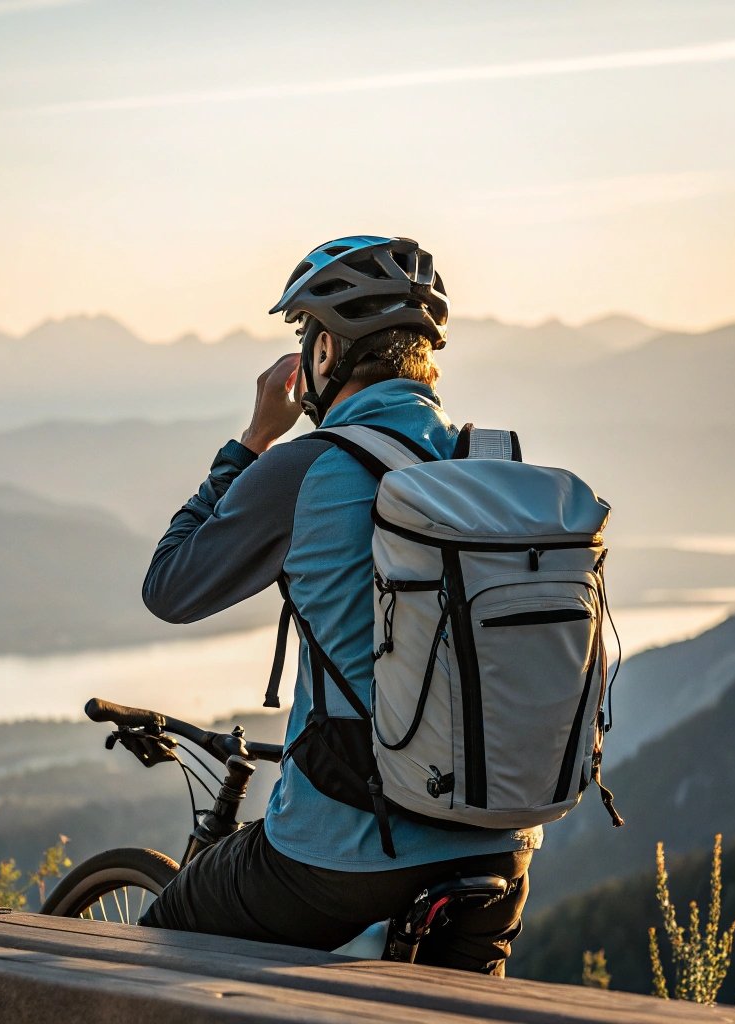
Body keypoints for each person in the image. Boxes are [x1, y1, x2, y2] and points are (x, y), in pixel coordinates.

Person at [139, 235, 541, 974]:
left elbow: (170, 587)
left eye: (306, 336)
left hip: (344, 852)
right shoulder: (485, 464)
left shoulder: (312, 464)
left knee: (159, 945)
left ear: (325, 355)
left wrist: (254, 439)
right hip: (499, 848)